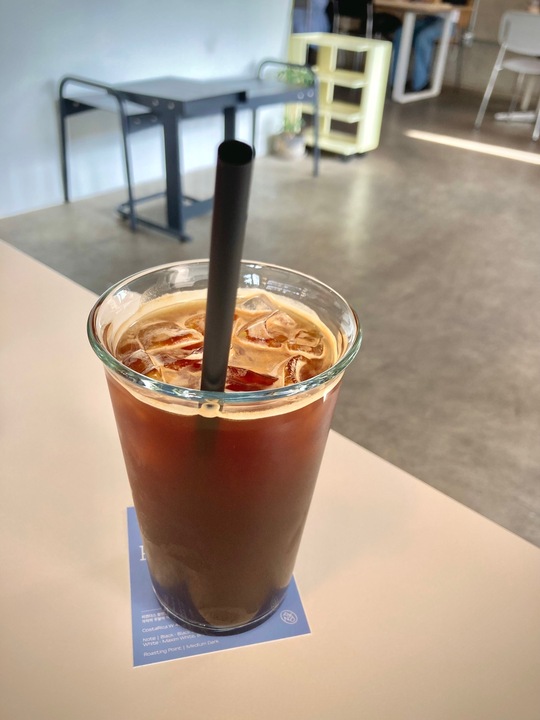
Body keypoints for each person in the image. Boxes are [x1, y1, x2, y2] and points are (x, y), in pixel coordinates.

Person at [389, 1, 467, 92]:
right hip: (429, 17)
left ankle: (420, 84)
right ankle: (396, 82)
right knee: (400, 33)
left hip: (449, 21)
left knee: (423, 37)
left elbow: (460, 2)